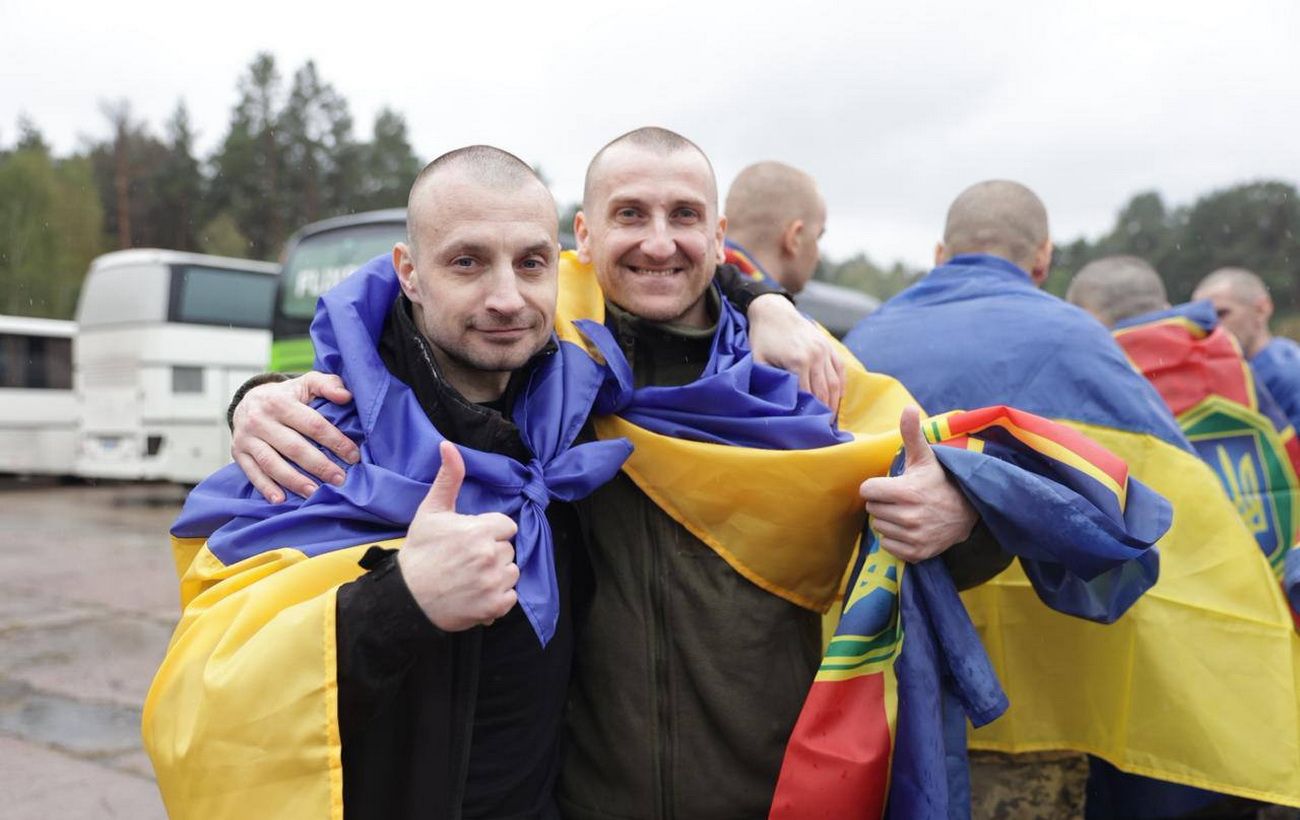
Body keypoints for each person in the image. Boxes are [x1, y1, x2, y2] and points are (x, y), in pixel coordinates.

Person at [228, 131, 1174, 818]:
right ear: (583, 240)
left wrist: (959, 514)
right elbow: (394, 332)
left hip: (782, 792)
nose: (657, 240)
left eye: (684, 216)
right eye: (629, 215)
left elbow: (913, 509)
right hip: (590, 799)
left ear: (720, 236)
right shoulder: (556, 368)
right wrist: (259, 396)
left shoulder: (804, 380)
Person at [143, 146, 637, 819]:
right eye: (467, 261)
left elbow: (678, 270)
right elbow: (208, 701)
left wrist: (765, 306)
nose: (506, 296)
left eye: (530, 262)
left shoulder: (583, 410)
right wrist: (401, 602)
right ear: (408, 272)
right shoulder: (310, 444)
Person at [843, 181, 1300, 810]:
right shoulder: (1085, 345)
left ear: (940, 251)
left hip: (898, 685)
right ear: (1043, 259)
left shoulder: (861, 344)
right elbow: (1179, 519)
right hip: (1052, 704)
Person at [1068, 254, 1300, 818]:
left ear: (1088, 318)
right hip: (1260, 670)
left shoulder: (1094, 380)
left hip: (1164, 700)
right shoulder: (1238, 369)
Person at [1194, 266, 1300, 433]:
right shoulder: (1218, 377)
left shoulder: (1289, 374)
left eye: (1221, 314)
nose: (1211, 327)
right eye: (1202, 320)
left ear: (1261, 309)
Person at [722, 160, 826, 293]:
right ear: (795, 237)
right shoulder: (772, 310)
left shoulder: (696, 289)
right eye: (818, 237)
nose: (819, 257)